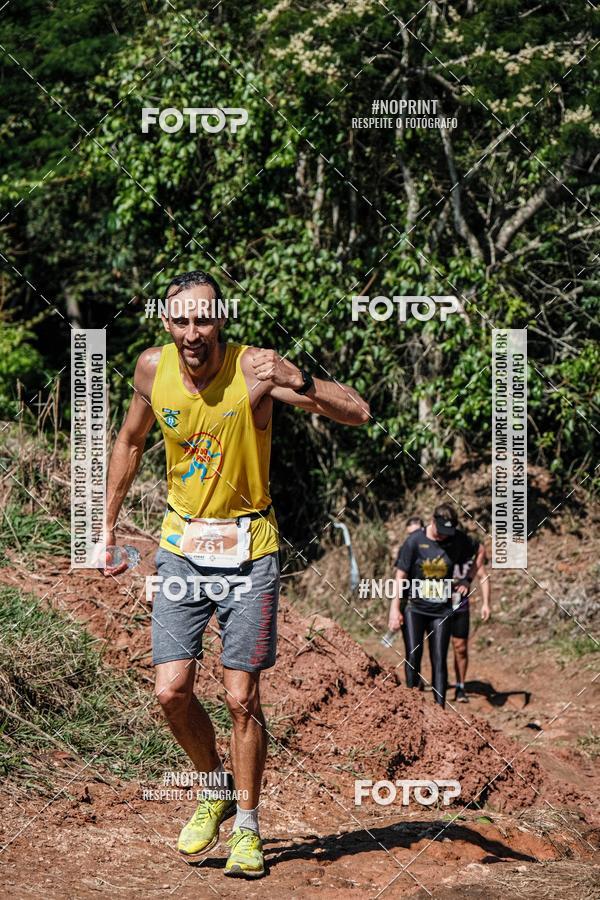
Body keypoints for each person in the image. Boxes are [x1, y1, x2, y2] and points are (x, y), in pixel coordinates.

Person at [103, 270, 369, 878]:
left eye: (204, 319)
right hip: (180, 545)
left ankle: (247, 825)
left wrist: (297, 377)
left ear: (220, 318)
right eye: (181, 320)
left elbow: (357, 412)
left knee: (241, 696)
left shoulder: (255, 369)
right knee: (170, 691)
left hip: (250, 548)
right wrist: (106, 524)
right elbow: (130, 440)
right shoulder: (151, 368)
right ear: (166, 323)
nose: (193, 332)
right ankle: (214, 786)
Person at [388, 503, 481, 708]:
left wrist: (467, 580)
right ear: (432, 521)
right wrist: (394, 609)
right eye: (440, 532)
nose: (443, 537)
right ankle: (412, 708)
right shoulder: (414, 541)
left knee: (439, 658)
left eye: (448, 533)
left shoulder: (457, 539)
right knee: (413, 654)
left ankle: (440, 710)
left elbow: (479, 550)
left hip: (441, 610)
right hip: (415, 608)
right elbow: (400, 575)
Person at [450, 541, 491, 702]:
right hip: (437, 608)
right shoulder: (439, 552)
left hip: (460, 607)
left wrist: (486, 603)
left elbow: (483, 576)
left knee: (460, 648)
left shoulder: (468, 558)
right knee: (436, 648)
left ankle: (460, 686)